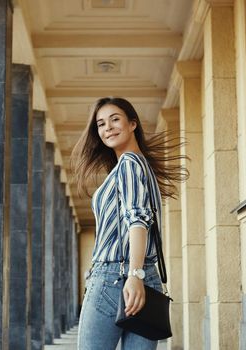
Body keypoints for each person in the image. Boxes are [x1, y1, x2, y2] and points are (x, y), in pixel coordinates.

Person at [71, 97, 187, 350]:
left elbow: (138, 221)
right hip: (145, 277)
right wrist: (138, 275)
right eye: (101, 124)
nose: (107, 128)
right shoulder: (140, 166)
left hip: (114, 278)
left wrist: (134, 274)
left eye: (115, 119)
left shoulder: (129, 164)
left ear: (132, 123)